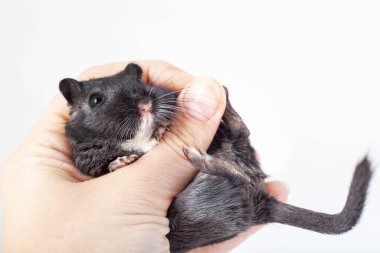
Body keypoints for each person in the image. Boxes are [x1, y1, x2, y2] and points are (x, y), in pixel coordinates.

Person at [0, 61, 288, 253]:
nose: (142, 103)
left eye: (140, 89)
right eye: (98, 100)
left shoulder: (157, 112)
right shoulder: (84, 145)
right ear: (74, 101)